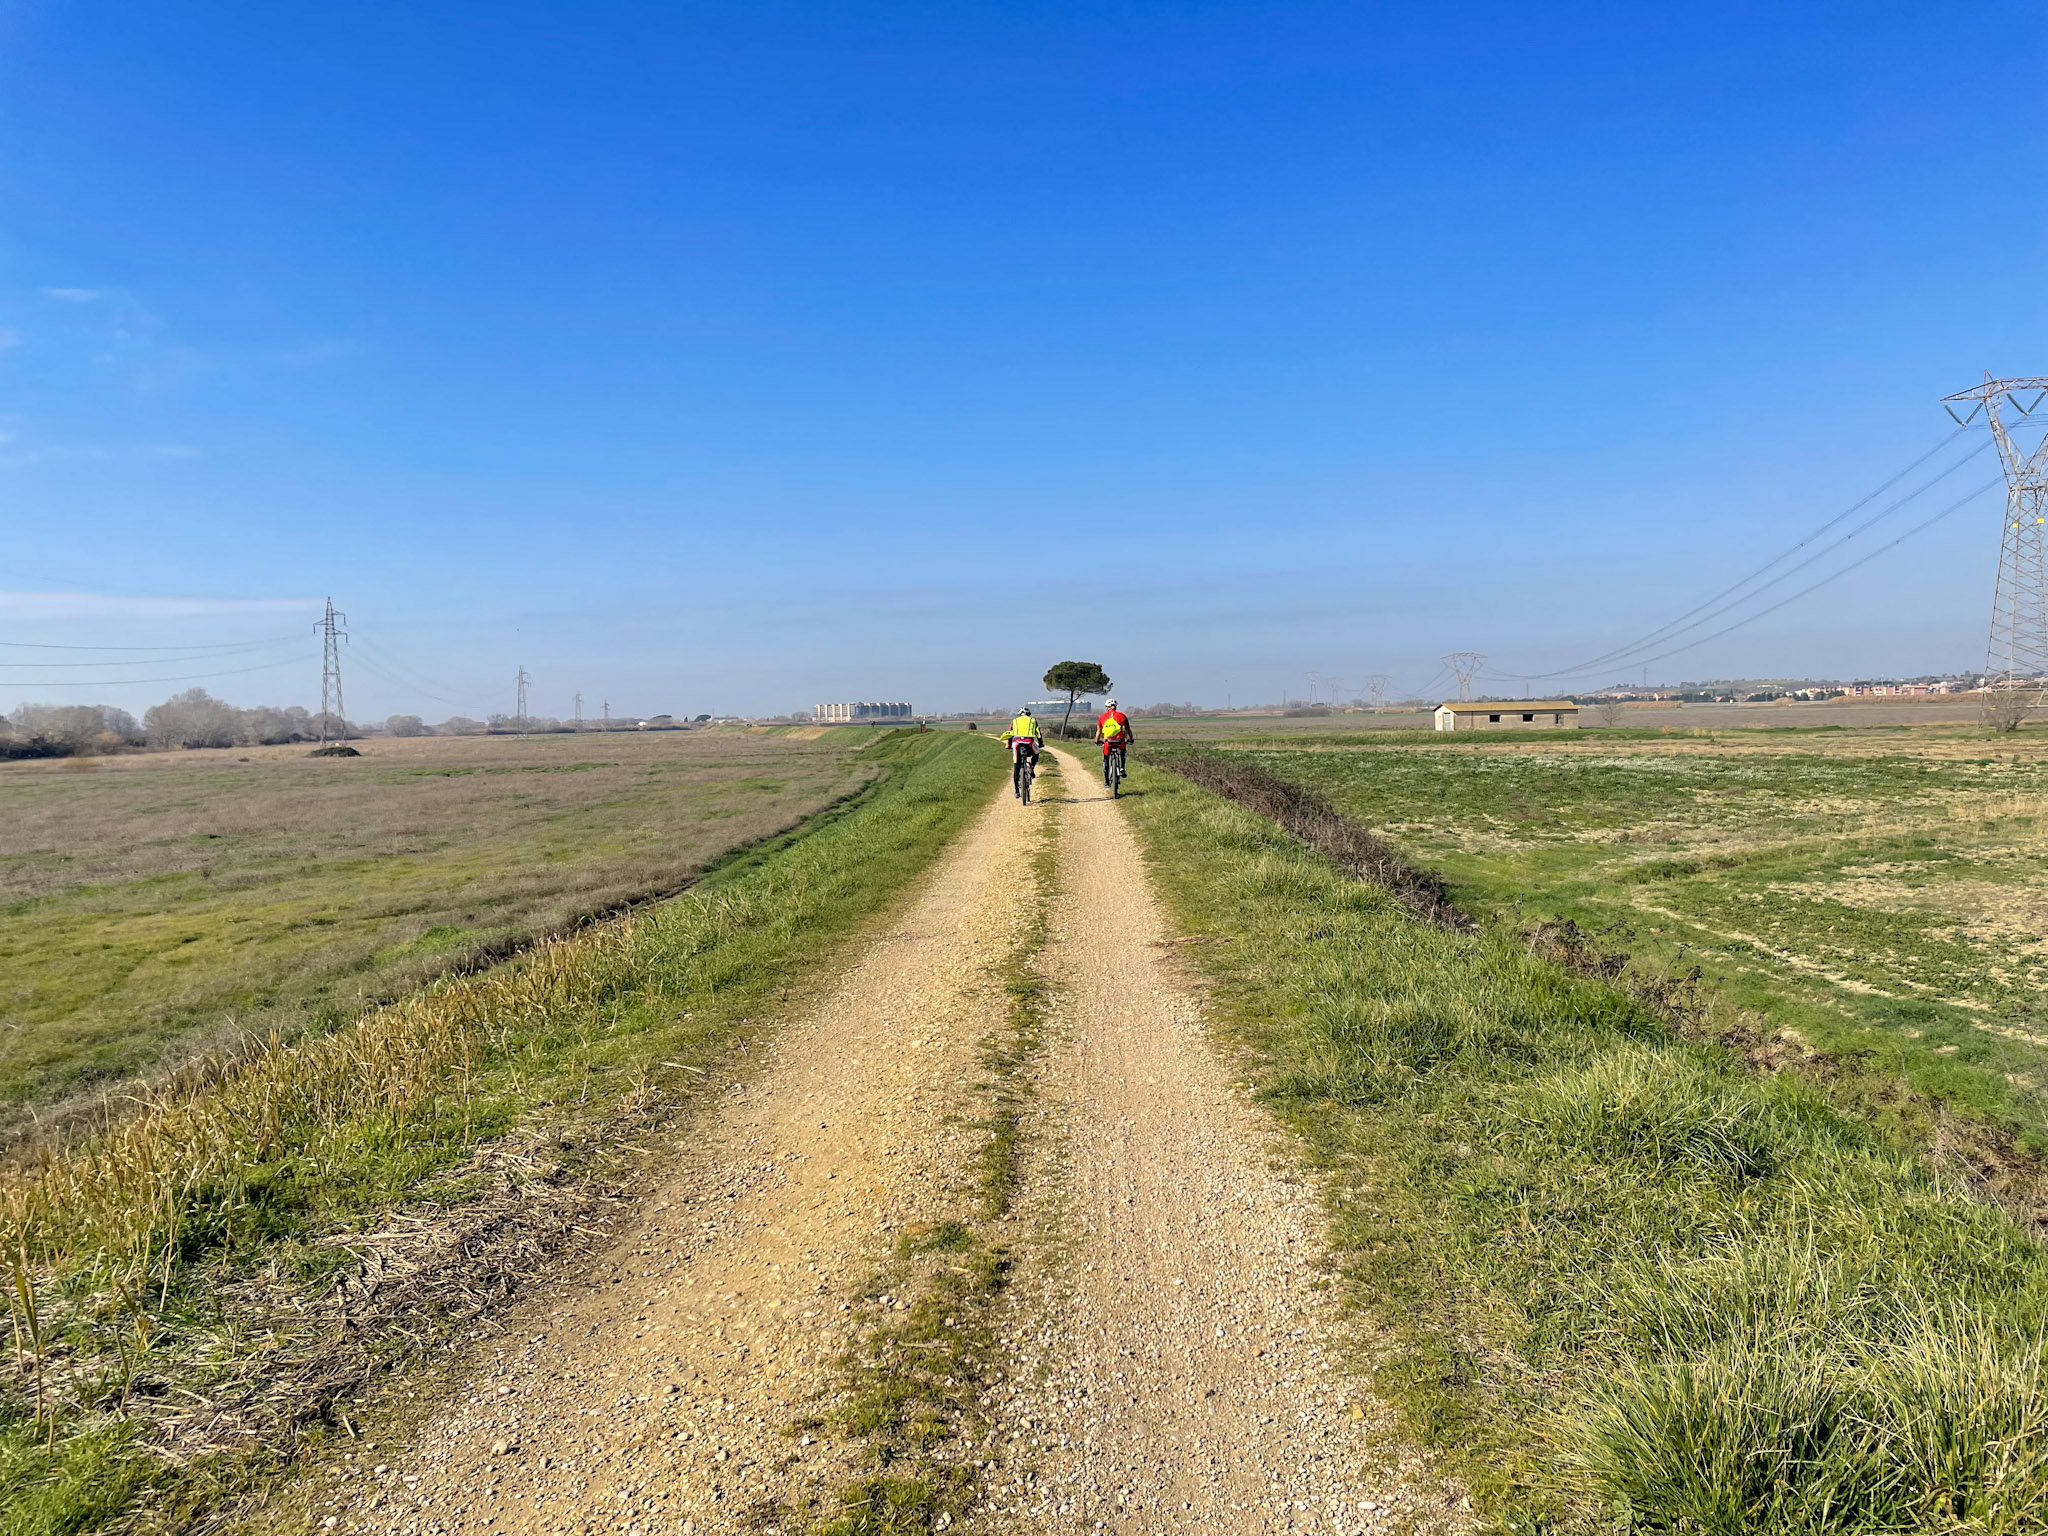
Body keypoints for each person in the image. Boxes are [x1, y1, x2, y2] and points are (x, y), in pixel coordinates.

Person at [1000, 705, 1044, 799]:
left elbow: (1009, 733)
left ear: (1019, 714)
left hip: (1017, 743)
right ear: (1029, 714)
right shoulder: (1033, 720)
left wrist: (1008, 745)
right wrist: (1040, 743)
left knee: (1016, 766)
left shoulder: (1014, 721)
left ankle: (1016, 791)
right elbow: (1038, 733)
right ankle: (1031, 766)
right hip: (1029, 742)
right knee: (1036, 753)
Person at [1093, 697, 1133, 786]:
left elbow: (1099, 731)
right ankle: (1122, 767)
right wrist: (1131, 739)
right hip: (1120, 741)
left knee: (1106, 759)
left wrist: (1097, 741)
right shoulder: (1122, 716)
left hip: (1108, 742)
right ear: (1116, 707)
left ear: (1107, 707)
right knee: (1123, 751)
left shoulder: (1102, 717)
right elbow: (1127, 729)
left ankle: (1107, 782)